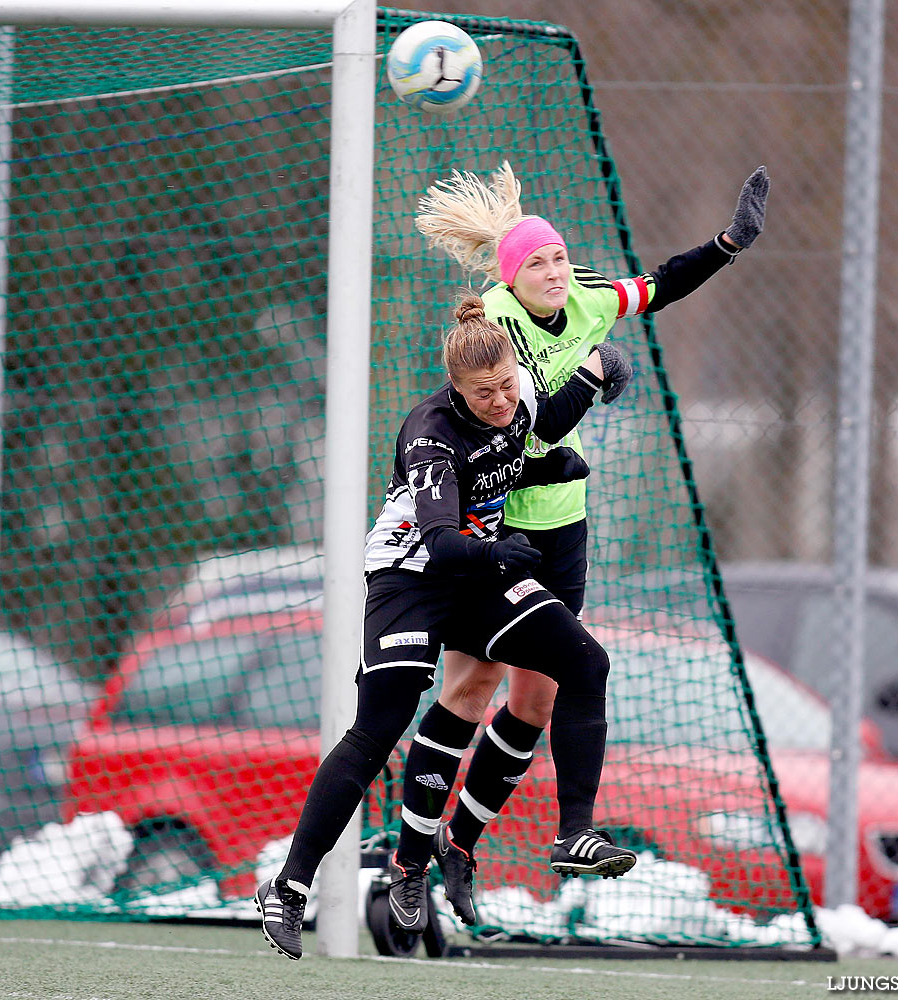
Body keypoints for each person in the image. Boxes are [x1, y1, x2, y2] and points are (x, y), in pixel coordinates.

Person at [393, 161, 771, 927]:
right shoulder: (497, 323)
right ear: (511, 276)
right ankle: (411, 852)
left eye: (560, 256)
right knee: (472, 688)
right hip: (498, 526)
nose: (556, 270)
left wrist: (729, 242)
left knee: (540, 693)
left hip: (563, 524)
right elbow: (531, 426)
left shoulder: (585, 297)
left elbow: (658, 286)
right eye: (538, 261)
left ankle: (461, 845)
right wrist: (596, 376)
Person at [255, 294, 634, 960]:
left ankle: (574, 833)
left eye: (508, 386)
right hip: (413, 577)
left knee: (584, 663)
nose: (500, 402)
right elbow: (439, 540)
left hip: (475, 572)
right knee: (378, 729)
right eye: (484, 393)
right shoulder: (430, 433)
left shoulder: (519, 399)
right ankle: (290, 887)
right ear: (456, 388)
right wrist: (501, 553)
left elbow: (549, 419)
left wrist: (601, 367)